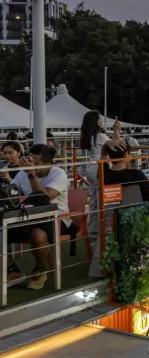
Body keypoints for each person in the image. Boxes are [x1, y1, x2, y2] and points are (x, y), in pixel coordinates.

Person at [3, 145, 70, 290]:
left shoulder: (59, 174)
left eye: (35, 162)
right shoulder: (23, 173)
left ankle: (39, 270)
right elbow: (12, 193)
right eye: (29, 159)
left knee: (38, 235)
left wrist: (31, 174)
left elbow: (45, 197)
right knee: (1, 230)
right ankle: (12, 270)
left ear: (48, 163)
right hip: (29, 218)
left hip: (57, 219)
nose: (30, 164)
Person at [79, 112, 126, 278]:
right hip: (99, 168)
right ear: (96, 121)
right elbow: (114, 145)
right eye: (99, 118)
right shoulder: (100, 135)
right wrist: (117, 131)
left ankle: (92, 235)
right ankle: (98, 234)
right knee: (101, 203)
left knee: (93, 202)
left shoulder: (89, 135)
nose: (101, 120)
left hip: (89, 169)